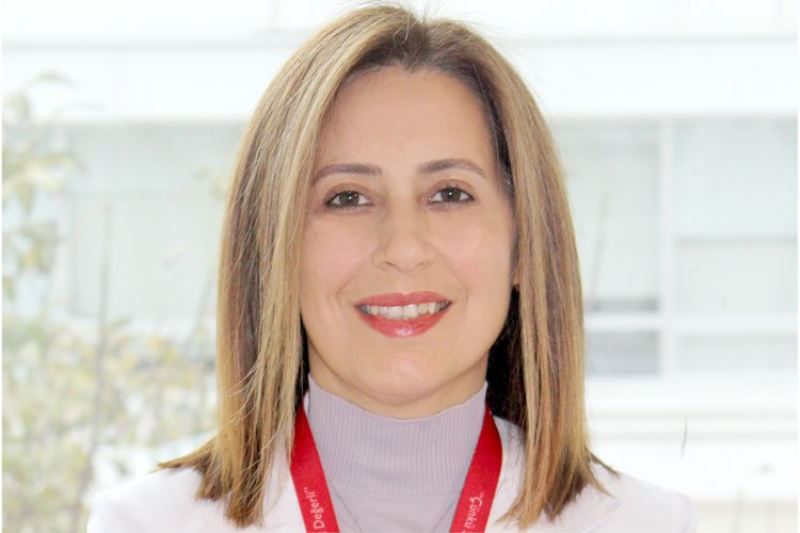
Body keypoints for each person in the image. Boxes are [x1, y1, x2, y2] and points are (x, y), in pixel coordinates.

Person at [87, 3, 698, 532]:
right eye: (347, 197)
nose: (403, 247)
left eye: (450, 193)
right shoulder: (144, 525)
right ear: (276, 248)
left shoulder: (649, 525)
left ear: (523, 243)